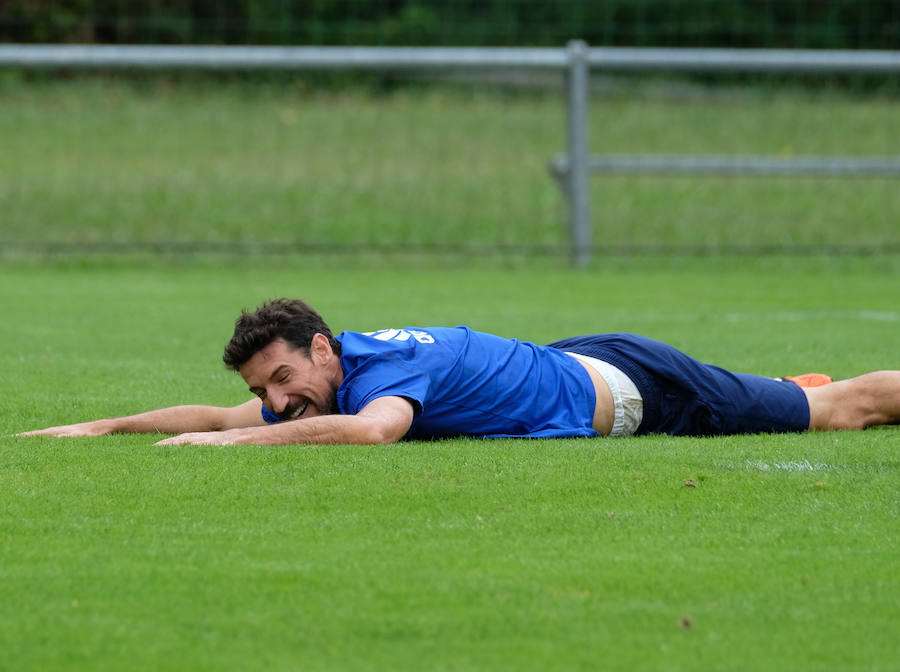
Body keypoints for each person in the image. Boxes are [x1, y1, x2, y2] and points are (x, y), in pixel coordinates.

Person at [18, 298, 900, 446]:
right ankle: (793, 386)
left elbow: (374, 433)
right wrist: (96, 429)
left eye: (282, 380)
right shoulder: (342, 369)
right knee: (782, 398)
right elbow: (213, 415)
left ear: (323, 349)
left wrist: (224, 452)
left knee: (849, 413)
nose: (274, 405)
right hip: (596, 366)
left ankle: (813, 393)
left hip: (643, 391)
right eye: (264, 393)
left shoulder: (376, 383)